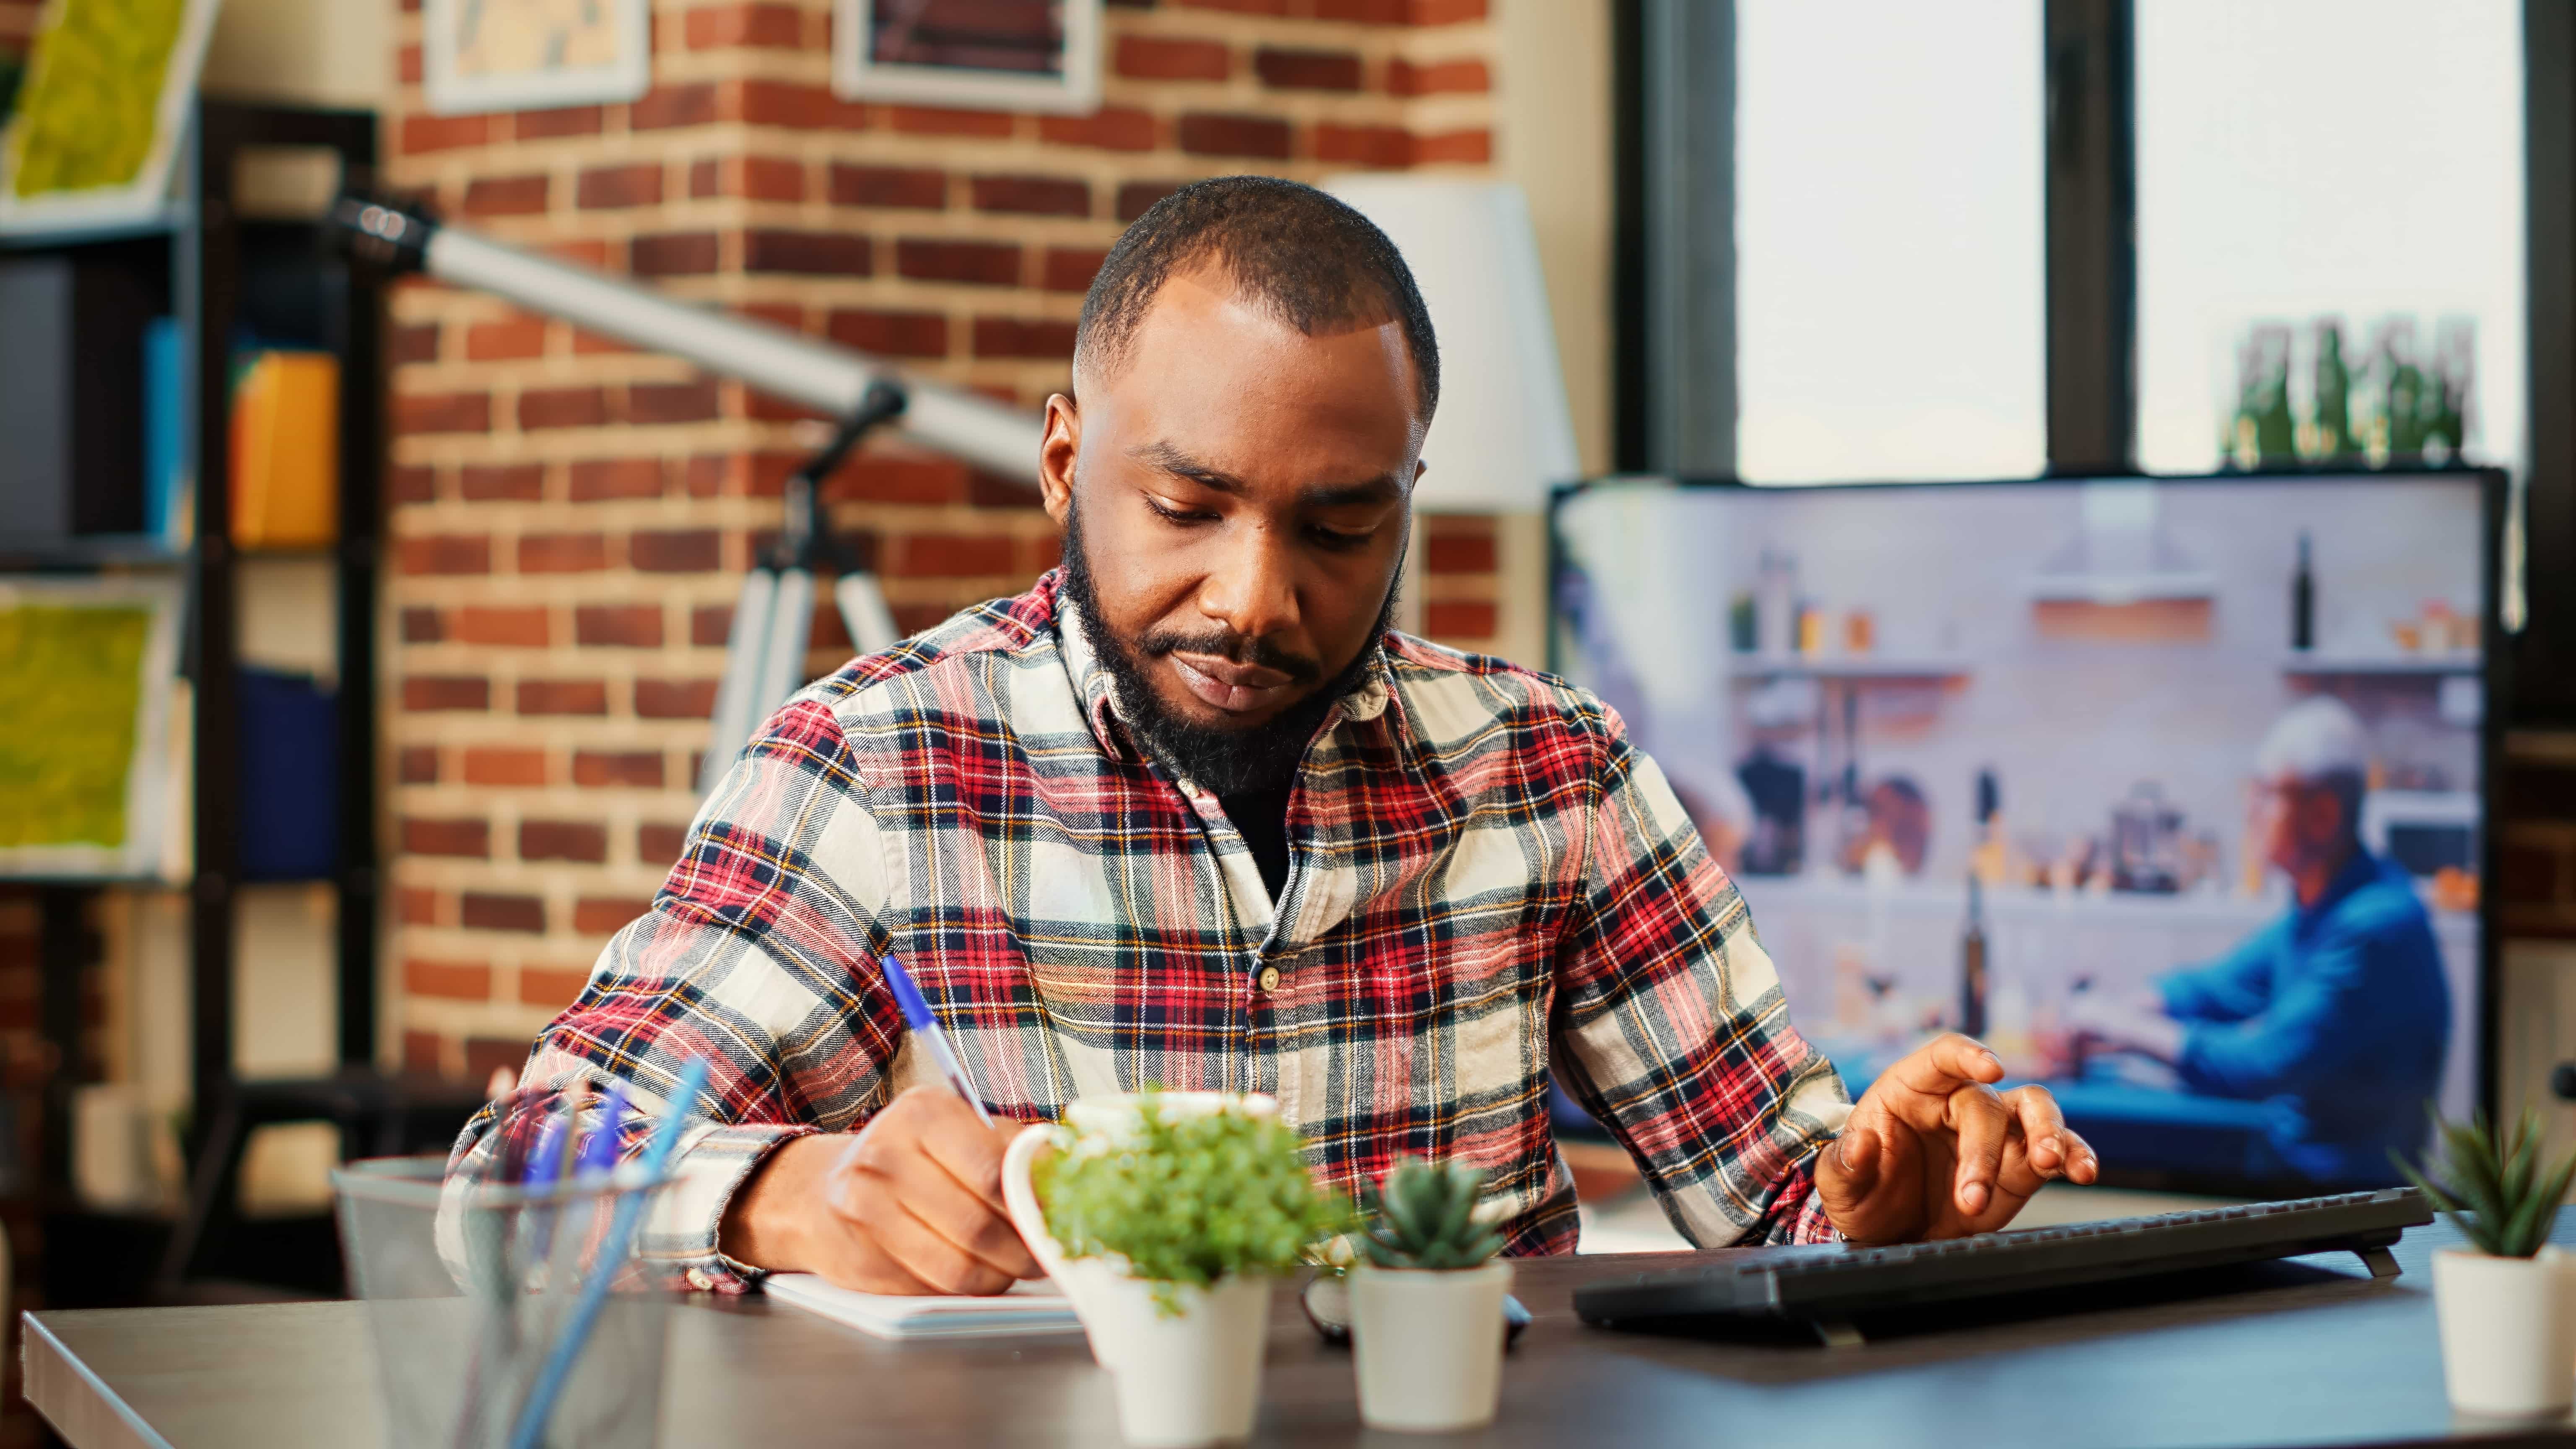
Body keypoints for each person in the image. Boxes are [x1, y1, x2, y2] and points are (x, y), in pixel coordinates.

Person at [452, 177, 2096, 1296]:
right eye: (1186, 507)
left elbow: (1789, 1201)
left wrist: (1883, 1201)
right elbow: (505, 1180)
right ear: (1059, 460)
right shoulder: (878, 765)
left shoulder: (1551, 773)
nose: (1255, 601)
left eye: (1337, 528)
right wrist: (781, 1198)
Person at [2058, 696, 2449, 1185]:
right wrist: (2109, 1017)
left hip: (2337, 1198)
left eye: (2267, 793)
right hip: (2292, 1169)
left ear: (2324, 814)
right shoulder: (2323, 906)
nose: (2250, 810)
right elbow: (2218, 988)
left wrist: (2118, 1025)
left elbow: (2263, 1063)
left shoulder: (2375, 926)